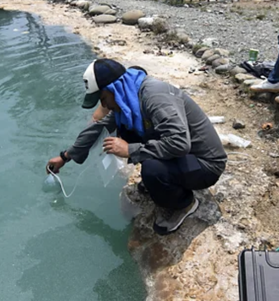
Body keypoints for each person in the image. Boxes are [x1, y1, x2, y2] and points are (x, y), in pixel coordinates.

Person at [46, 59, 227, 235]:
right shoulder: (128, 99)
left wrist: (130, 150)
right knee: (126, 131)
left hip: (205, 165)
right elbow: (97, 128)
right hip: (186, 157)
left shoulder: (154, 97)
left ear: (113, 89)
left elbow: (180, 142)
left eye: (103, 99)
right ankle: (168, 179)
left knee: (152, 169)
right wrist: (65, 157)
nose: (104, 106)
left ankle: (183, 204)